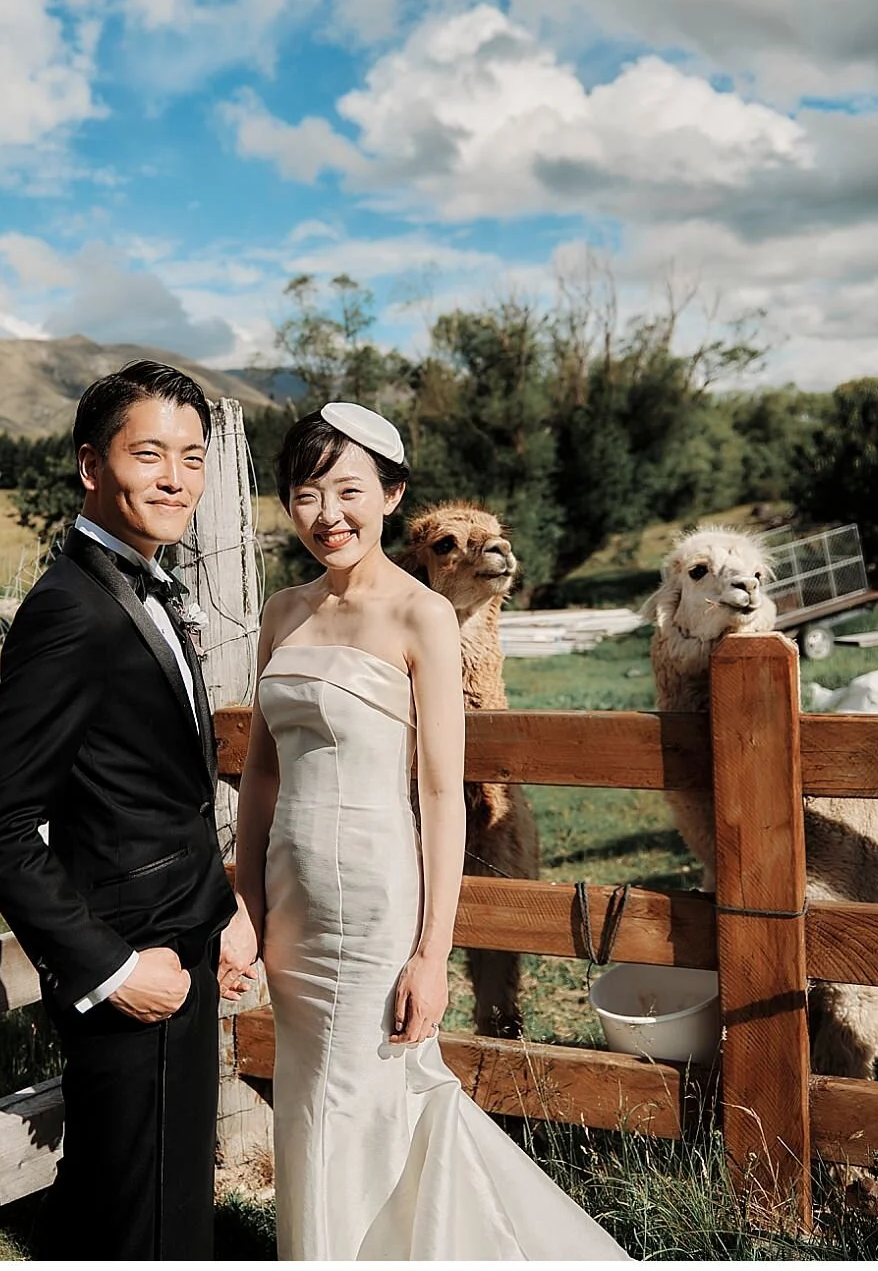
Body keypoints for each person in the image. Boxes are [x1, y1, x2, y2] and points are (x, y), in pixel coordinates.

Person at [233, 403, 632, 1261]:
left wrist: (431, 953)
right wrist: (243, 900)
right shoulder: (281, 613)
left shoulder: (423, 617)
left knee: (362, 1094)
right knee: (309, 1098)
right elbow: (262, 773)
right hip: (291, 898)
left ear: (390, 494)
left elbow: (445, 795)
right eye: (307, 493)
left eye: (349, 490)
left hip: (376, 899)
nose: (328, 514)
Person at [0, 360, 259, 1261]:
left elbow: (153, 794)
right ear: (93, 466)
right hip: (135, 968)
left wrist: (223, 909)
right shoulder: (72, 611)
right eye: (150, 454)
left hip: (183, 932)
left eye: (194, 458)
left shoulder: (142, 586)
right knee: (154, 1222)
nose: (176, 478)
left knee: (119, 1193)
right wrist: (113, 971)